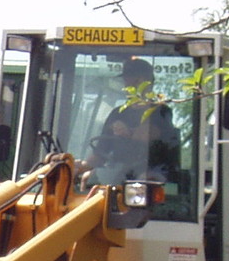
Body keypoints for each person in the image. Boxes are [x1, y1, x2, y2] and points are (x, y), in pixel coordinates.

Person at [77, 57, 180, 185]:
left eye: (130, 79)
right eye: (126, 80)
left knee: (144, 181)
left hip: (152, 170)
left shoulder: (160, 111)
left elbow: (151, 133)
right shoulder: (117, 113)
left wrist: (129, 132)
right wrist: (79, 166)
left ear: (143, 81)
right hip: (118, 170)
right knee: (88, 177)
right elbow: (100, 153)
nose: (126, 84)